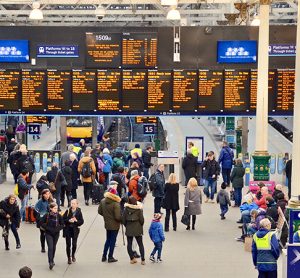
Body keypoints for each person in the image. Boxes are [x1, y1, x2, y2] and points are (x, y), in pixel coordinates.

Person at [98, 188, 121, 263]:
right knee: (113, 241)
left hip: (107, 224)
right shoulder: (116, 204)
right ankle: (110, 256)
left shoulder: (102, 201)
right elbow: (117, 217)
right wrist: (122, 219)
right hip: (115, 225)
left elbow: (100, 211)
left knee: (108, 240)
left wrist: (106, 216)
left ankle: (104, 256)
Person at [40, 202, 64, 270]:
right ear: (51, 208)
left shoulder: (59, 216)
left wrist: (57, 229)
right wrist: (48, 228)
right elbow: (41, 223)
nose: (56, 209)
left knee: (54, 247)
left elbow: (62, 224)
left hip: (56, 233)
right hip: (48, 233)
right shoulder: (47, 215)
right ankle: (50, 262)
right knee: (50, 247)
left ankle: (52, 259)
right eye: (54, 208)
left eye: (56, 208)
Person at [122, 196, 145, 265]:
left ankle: (132, 258)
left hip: (129, 227)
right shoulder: (139, 209)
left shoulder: (126, 209)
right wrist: (140, 225)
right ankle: (143, 260)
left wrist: (127, 225)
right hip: (138, 228)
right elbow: (142, 220)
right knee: (140, 244)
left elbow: (123, 220)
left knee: (129, 244)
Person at [63, 199, 84, 264]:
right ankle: (69, 258)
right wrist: (69, 220)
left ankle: (73, 255)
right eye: (72, 203)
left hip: (75, 230)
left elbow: (82, 221)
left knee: (74, 244)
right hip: (68, 229)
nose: (72, 205)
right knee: (68, 244)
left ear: (77, 204)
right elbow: (63, 220)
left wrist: (76, 221)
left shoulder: (79, 212)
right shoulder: (68, 211)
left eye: (74, 203)